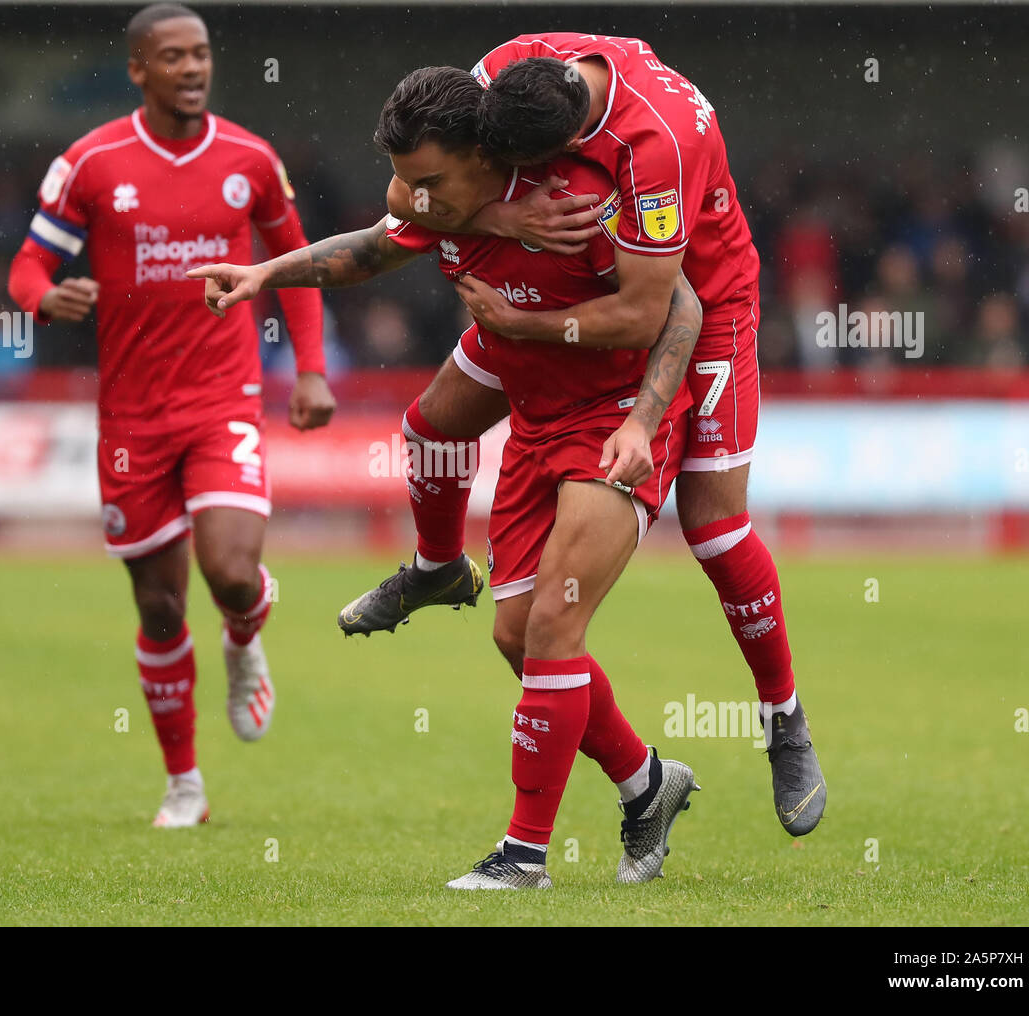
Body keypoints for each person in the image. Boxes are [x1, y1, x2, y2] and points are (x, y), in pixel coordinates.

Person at [190, 67, 702, 888]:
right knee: (508, 627)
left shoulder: (581, 198)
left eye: (426, 179)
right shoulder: (448, 199)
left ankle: (524, 858)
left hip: (612, 423)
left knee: (550, 632)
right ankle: (647, 783)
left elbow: (681, 307)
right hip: (533, 413)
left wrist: (643, 419)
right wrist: (264, 275)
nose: (407, 195)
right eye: (402, 178)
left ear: (482, 155)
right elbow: (369, 248)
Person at [361, 34, 825, 836]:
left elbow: (660, 310)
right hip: (570, 294)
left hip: (697, 312)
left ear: (570, 148)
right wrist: (502, 211)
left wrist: (529, 323)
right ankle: (439, 569)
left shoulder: (658, 146)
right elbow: (410, 194)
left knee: (713, 529)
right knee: (434, 428)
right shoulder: (512, 67)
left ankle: (785, 718)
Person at [7, 3, 336, 828]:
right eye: (175, 57)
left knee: (228, 572)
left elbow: (294, 264)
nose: (194, 68)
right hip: (130, 420)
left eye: (202, 55)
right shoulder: (90, 164)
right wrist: (47, 299)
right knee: (157, 606)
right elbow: (27, 264)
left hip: (222, 401)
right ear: (139, 69)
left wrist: (311, 372)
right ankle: (185, 785)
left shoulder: (251, 160)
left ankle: (244, 632)